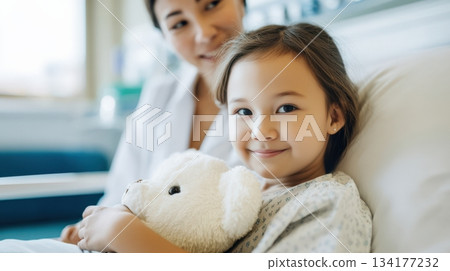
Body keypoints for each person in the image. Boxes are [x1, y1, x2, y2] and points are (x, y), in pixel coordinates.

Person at [73, 23, 371, 252]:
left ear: (333, 117)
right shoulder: (229, 193)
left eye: (286, 108)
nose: (260, 130)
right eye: (243, 111)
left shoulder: (329, 205)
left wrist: (128, 236)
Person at [59, 0, 247, 245]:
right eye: (179, 23)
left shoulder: (280, 90)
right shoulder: (159, 93)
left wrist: (123, 233)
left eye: (211, 4)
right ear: (165, 37)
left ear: (242, 4)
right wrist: (91, 227)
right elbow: (121, 190)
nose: (204, 34)